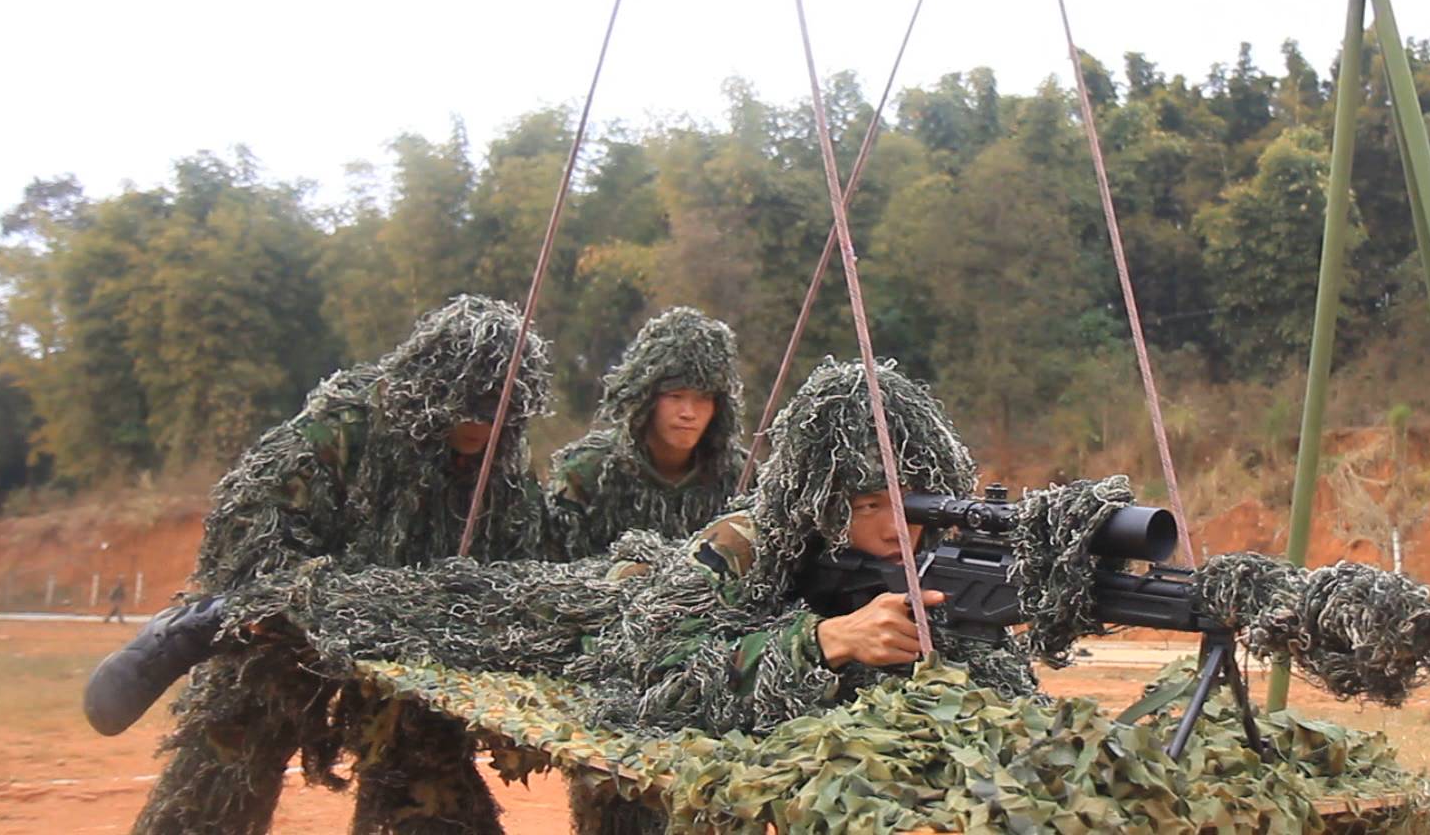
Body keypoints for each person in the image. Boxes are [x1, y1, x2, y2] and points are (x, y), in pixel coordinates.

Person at [130, 295, 555, 835]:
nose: (482, 421)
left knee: (433, 799)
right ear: (432, 388)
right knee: (221, 771)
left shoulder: (506, 473)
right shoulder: (342, 429)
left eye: (501, 408)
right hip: (282, 641)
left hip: (408, 666)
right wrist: (345, 601)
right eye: (471, 402)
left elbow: (519, 573)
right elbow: (257, 544)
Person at [569, 357, 1038, 831]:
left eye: (914, 506)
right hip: (623, 596)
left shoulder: (938, 560)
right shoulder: (743, 544)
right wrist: (824, 642)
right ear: (817, 504)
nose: (899, 530)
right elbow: (659, 674)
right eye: (869, 506)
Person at [545, 307, 747, 557]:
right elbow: (551, 571)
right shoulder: (588, 474)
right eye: (675, 396)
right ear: (647, 398)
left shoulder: (740, 479)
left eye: (703, 398)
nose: (689, 412)